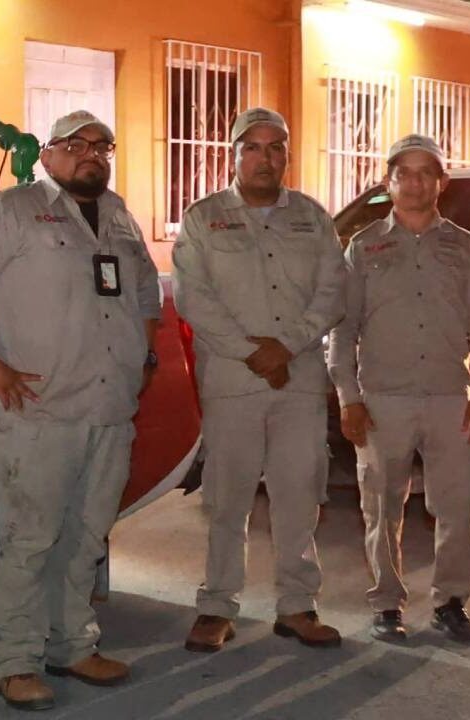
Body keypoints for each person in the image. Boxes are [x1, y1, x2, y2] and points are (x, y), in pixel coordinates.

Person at [0, 110, 160, 710]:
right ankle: (16, 661)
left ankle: (73, 646)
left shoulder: (119, 217)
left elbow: (144, 295)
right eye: (76, 144)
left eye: (102, 145)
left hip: (110, 408)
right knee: (29, 539)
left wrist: (144, 356)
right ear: (49, 153)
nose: (92, 154)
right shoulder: (10, 211)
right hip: (42, 409)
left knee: (87, 537)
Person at [172, 107, 346, 653]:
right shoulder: (203, 219)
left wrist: (288, 347)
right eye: (253, 147)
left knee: (299, 495)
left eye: (276, 148)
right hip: (232, 379)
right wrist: (254, 353)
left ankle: (297, 606)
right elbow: (193, 298)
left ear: (287, 157)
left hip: (297, 380)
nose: (265, 158)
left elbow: (333, 291)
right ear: (234, 155)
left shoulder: (313, 220)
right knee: (228, 498)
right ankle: (217, 605)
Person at [327, 133, 470, 645]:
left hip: (450, 395)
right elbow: (344, 328)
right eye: (405, 172)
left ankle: (450, 601)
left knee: (457, 502)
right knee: (380, 504)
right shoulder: (363, 246)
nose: (415, 181)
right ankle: (386, 603)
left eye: (427, 172)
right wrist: (348, 397)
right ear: (389, 181)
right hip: (383, 398)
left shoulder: (463, 247)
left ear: (440, 183)